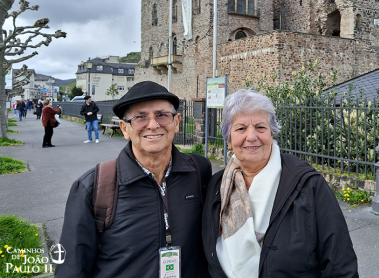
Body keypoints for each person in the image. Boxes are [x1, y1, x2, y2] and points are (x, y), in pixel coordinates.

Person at [56, 81, 211, 278]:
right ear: (125, 129)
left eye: (162, 115)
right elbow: (71, 268)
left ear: (177, 122)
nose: (153, 125)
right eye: (140, 117)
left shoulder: (199, 171)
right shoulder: (94, 187)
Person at [202, 89, 359, 278]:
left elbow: (340, 265)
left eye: (260, 127)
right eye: (241, 128)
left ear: (272, 133)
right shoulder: (217, 187)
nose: (251, 136)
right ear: (228, 139)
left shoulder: (308, 186)